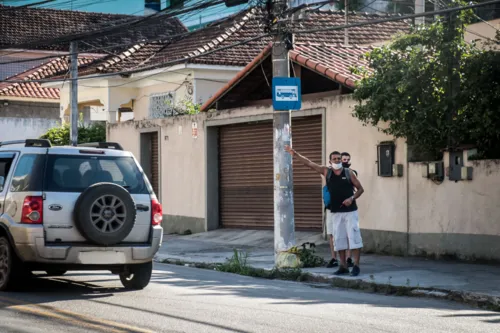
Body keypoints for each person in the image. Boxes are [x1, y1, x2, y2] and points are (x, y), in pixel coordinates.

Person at [284, 146, 365, 276]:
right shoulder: (327, 172)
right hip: (335, 212)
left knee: (354, 239)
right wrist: (295, 154)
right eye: (335, 159)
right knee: (339, 240)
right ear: (330, 161)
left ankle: (356, 266)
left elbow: (360, 189)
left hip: (350, 212)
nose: (337, 161)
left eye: (339, 159)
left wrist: (351, 198)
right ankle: (343, 266)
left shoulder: (348, 173)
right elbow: (310, 163)